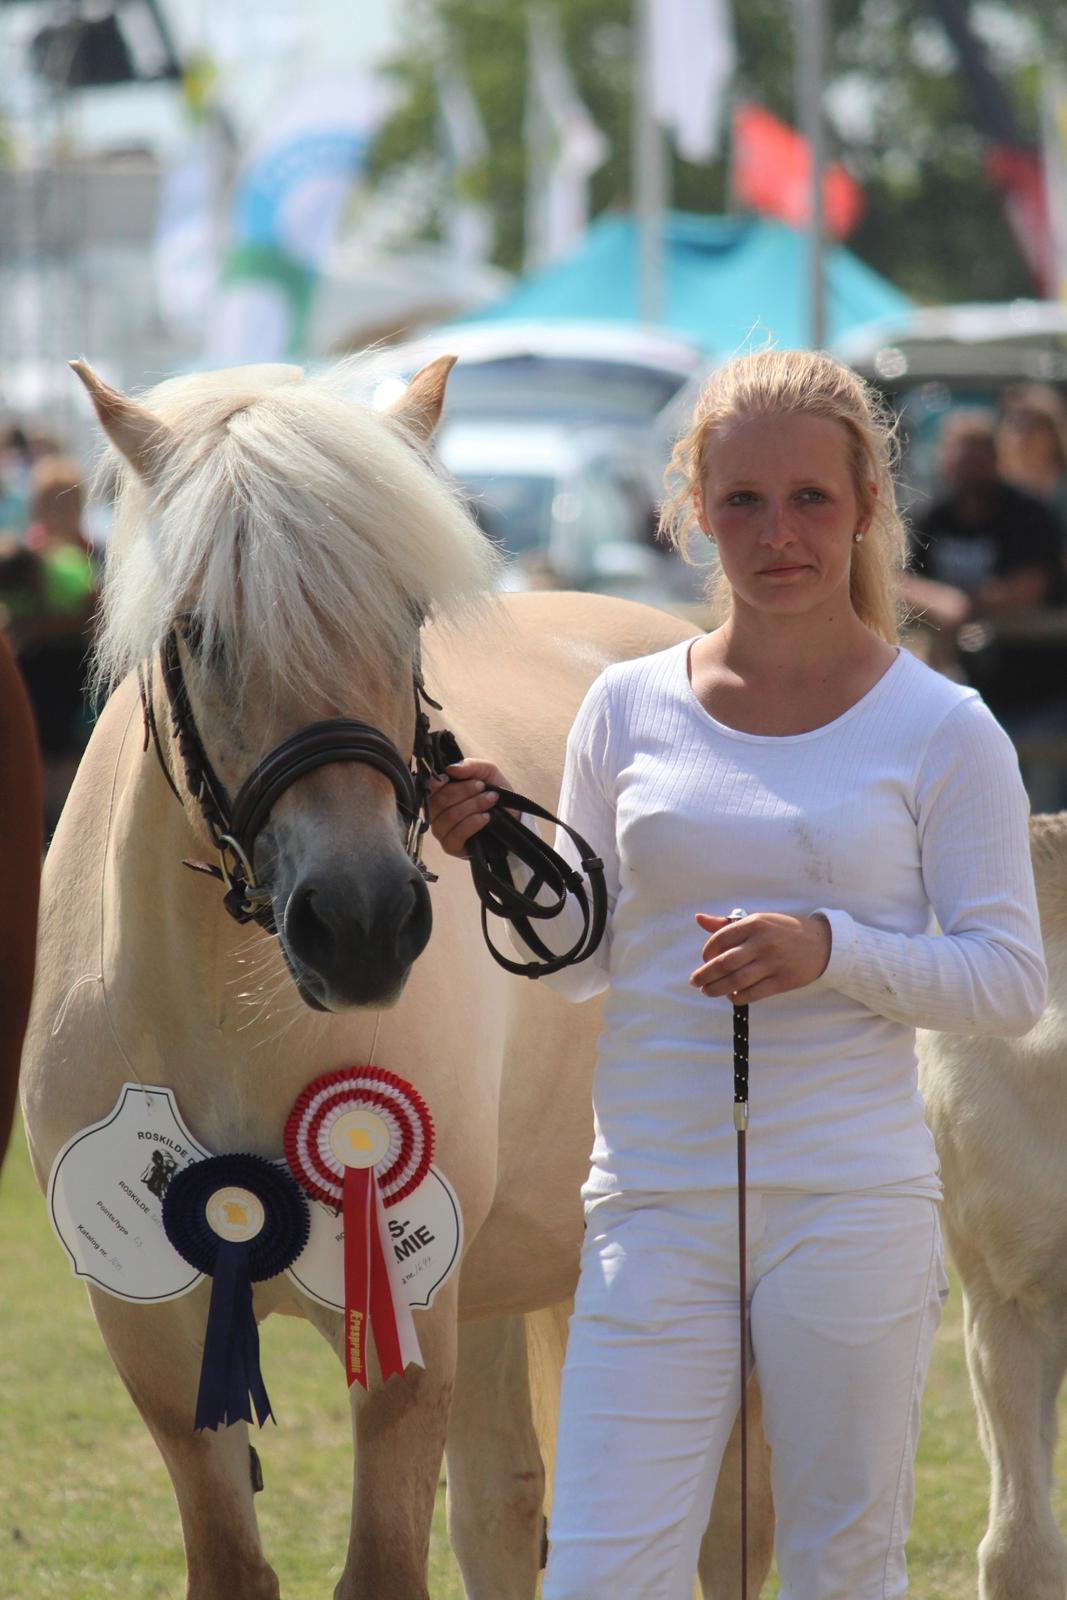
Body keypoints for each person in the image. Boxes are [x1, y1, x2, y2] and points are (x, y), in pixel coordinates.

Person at [428, 349, 1047, 1600]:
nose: (779, 534)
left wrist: (833, 951)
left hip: (852, 1205)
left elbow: (1005, 981)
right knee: (602, 1568)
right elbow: (585, 967)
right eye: (744, 502)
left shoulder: (942, 728)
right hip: (650, 1202)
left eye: (809, 498)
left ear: (866, 503)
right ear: (694, 515)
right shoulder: (622, 708)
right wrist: (500, 858)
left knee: (838, 1565)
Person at [904, 410, 1067, 809]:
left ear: (994, 460)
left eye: (976, 460)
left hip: (1037, 697)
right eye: (958, 460)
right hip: (966, 701)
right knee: (977, 810)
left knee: (1042, 823)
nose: (967, 471)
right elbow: (900, 579)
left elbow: (1032, 585)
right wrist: (942, 602)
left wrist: (966, 603)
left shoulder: (1026, 513)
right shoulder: (933, 516)